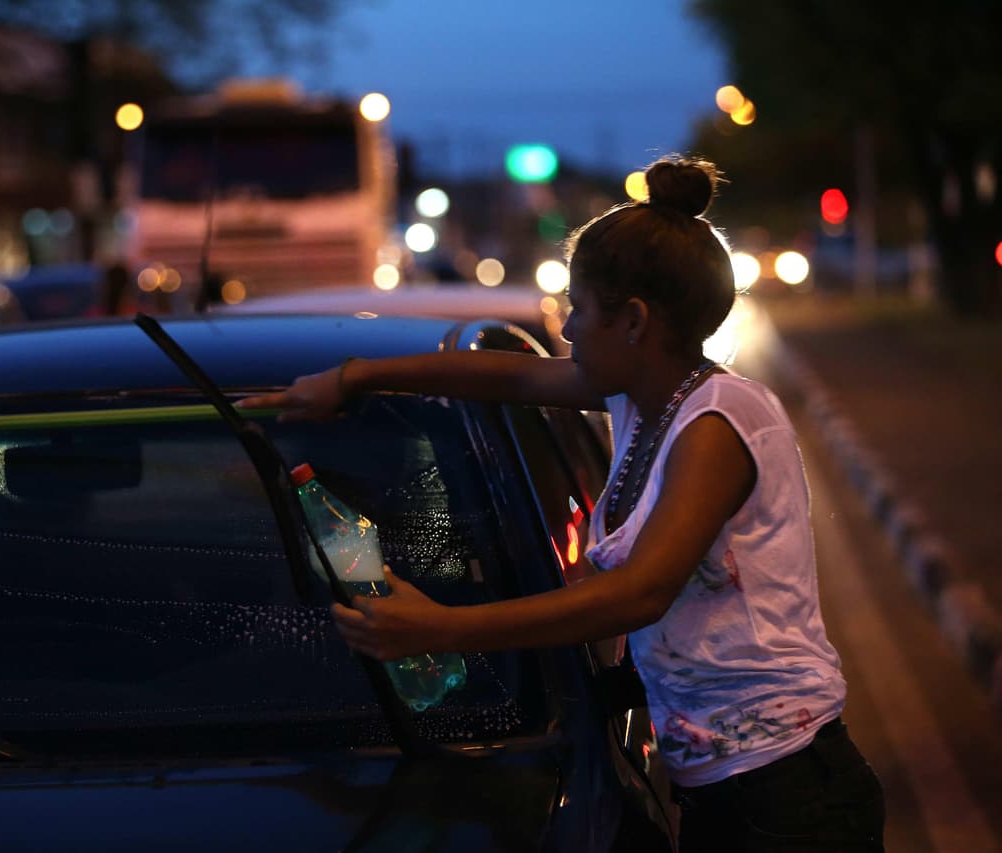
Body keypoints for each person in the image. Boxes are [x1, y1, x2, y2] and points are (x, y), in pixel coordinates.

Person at [237, 155, 885, 852]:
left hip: (787, 796)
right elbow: (508, 372)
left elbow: (639, 594)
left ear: (633, 321)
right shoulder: (648, 398)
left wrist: (443, 629)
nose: (570, 329)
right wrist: (355, 376)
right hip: (729, 787)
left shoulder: (718, 423)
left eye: (580, 310)